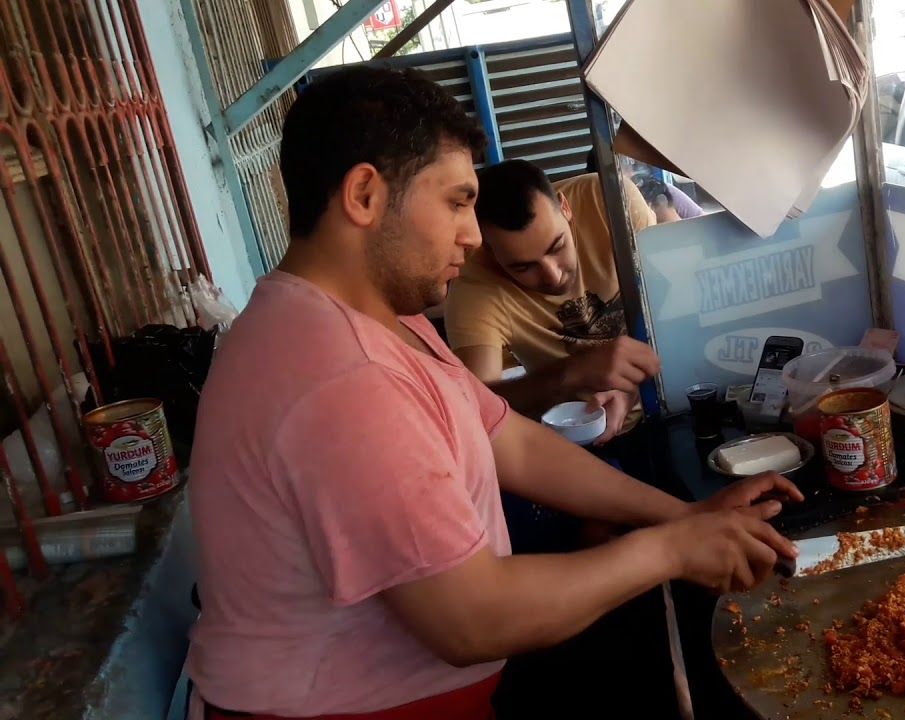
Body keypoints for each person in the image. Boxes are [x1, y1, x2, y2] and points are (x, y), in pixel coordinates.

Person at [185, 67, 801, 720]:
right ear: (365, 195)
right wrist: (670, 551)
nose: (473, 235)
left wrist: (682, 518)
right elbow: (472, 621)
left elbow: (514, 442)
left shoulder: (376, 321)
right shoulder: (340, 374)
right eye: (455, 202)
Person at [444, 159, 656, 442]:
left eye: (557, 247)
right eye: (523, 267)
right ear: (489, 252)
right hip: (577, 440)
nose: (553, 276)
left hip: (671, 401)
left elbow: (674, 306)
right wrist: (569, 374)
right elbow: (477, 407)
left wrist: (634, 386)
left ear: (564, 206)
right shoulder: (474, 287)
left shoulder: (609, 201)